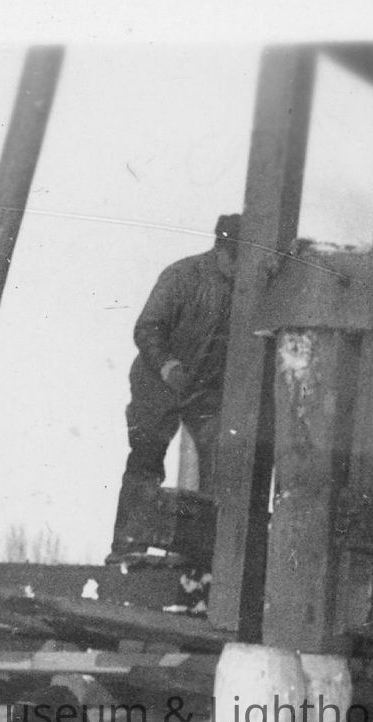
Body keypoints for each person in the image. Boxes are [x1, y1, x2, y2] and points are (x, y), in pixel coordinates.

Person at [112, 213, 242, 558]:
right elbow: (147, 326)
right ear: (222, 251)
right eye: (234, 260)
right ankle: (127, 548)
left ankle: (205, 553)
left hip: (204, 391)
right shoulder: (182, 276)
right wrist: (167, 365)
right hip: (157, 383)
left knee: (220, 463)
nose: (237, 270)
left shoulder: (245, 289)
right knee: (146, 459)